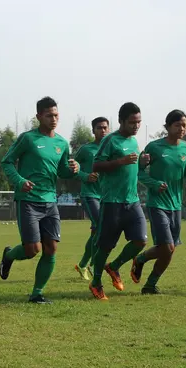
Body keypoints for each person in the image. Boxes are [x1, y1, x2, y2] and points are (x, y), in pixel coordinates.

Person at [0, 97, 80, 304]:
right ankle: (8, 256)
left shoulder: (62, 143)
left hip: (50, 201)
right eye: (49, 115)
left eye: (56, 115)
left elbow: (62, 171)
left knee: (51, 248)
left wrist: (74, 170)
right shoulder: (27, 139)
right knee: (32, 249)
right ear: (39, 116)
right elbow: (6, 161)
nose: (54, 119)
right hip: (28, 200)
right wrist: (19, 181)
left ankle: (37, 293)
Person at [132, 110, 186, 294]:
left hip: (176, 205)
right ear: (167, 127)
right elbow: (139, 171)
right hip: (157, 203)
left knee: (169, 250)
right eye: (177, 125)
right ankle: (141, 260)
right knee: (168, 247)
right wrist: (154, 183)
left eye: (184, 125)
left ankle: (149, 284)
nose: (182, 129)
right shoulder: (154, 147)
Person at [88, 102, 149, 300]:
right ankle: (96, 283)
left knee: (140, 241)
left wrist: (142, 163)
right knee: (105, 246)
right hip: (112, 202)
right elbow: (96, 165)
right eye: (132, 122)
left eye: (138, 122)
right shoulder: (110, 140)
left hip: (133, 201)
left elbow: (133, 170)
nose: (136, 126)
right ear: (121, 121)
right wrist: (120, 162)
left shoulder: (134, 142)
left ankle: (114, 267)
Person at [72, 117, 109, 280]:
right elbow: (71, 168)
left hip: (106, 196)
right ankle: (94, 263)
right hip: (90, 194)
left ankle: (83, 265)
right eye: (100, 128)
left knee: (96, 232)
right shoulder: (86, 150)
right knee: (101, 227)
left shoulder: (111, 149)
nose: (103, 130)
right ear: (93, 130)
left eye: (105, 128)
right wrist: (86, 176)